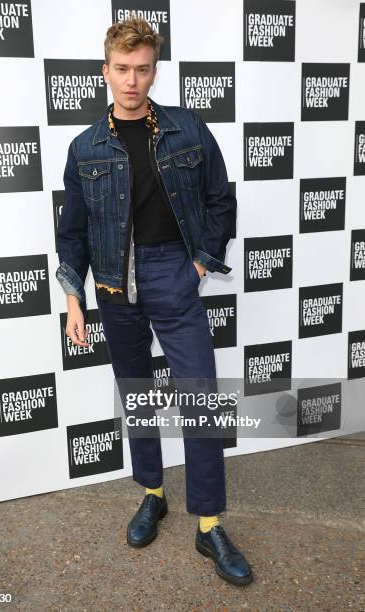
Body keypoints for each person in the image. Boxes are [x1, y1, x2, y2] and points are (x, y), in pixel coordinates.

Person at [56, 17, 253, 586]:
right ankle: (152, 493)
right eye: (122, 69)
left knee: (201, 397)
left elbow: (221, 200)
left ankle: (209, 524)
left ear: (154, 70)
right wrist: (74, 300)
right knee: (137, 393)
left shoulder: (188, 130)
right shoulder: (84, 146)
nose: (132, 80)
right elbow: (72, 232)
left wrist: (200, 262)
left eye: (142, 69)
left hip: (173, 270)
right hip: (113, 284)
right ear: (105, 71)